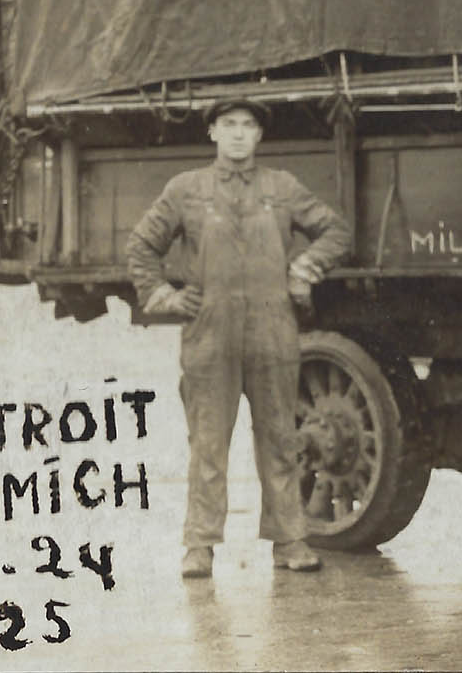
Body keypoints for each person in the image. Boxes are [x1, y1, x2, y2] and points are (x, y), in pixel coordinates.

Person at [125, 97, 352, 579]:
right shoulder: (186, 190)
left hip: (273, 330)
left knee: (280, 437)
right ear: (212, 133)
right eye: (227, 125)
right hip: (211, 333)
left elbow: (335, 231)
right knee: (208, 443)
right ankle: (200, 546)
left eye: (247, 126)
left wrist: (305, 269)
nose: (237, 134)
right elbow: (142, 245)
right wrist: (163, 295)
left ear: (259, 136)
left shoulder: (282, 188)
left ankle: (290, 540)